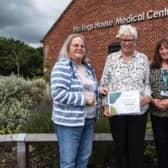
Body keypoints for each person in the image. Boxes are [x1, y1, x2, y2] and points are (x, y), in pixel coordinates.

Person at [50, 33, 107, 168]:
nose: (79, 48)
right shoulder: (62, 66)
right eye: (75, 45)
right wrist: (84, 100)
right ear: (68, 48)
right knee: (68, 162)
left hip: (89, 120)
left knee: (83, 159)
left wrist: (99, 91)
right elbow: (58, 94)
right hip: (69, 123)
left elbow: (90, 89)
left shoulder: (88, 67)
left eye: (82, 46)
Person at [100, 25, 151, 168]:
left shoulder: (143, 59)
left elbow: (147, 83)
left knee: (136, 149)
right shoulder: (111, 59)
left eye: (131, 40)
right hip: (117, 112)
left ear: (136, 41)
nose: (127, 43)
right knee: (120, 148)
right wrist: (105, 106)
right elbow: (104, 84)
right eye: (124, 39)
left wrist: (147, 96)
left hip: (138, 112)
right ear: (120, 40)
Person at [149, 39, 168, 168]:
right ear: (158, 51)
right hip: (157, 113)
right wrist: (152, 100)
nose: (164, 51)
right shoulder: (151, 67)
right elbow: (145, 86)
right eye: (161, 49)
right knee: (161, 145)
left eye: (166, 48)